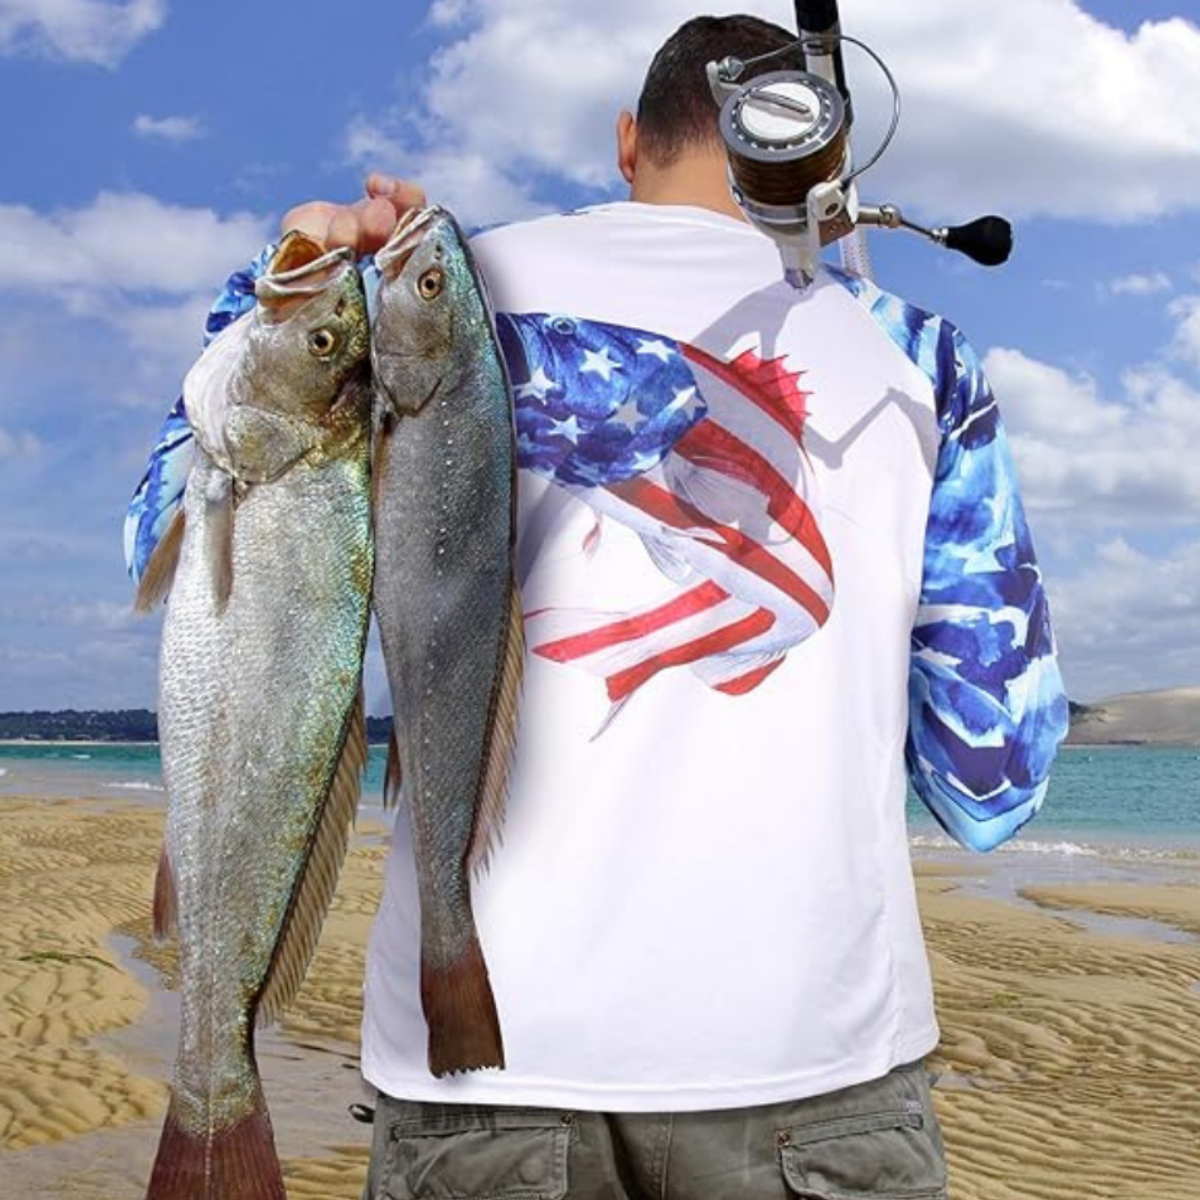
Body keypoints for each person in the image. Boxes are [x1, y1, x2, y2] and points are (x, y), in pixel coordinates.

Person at [127, 15, 1069, 1199]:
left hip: (484, 1084)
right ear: (822, 173)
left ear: (628, 141)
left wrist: (278, 285)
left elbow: (184, 498)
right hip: (818, 1073)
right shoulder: (922, 363)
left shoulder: (431, 298)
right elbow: (993, 780)